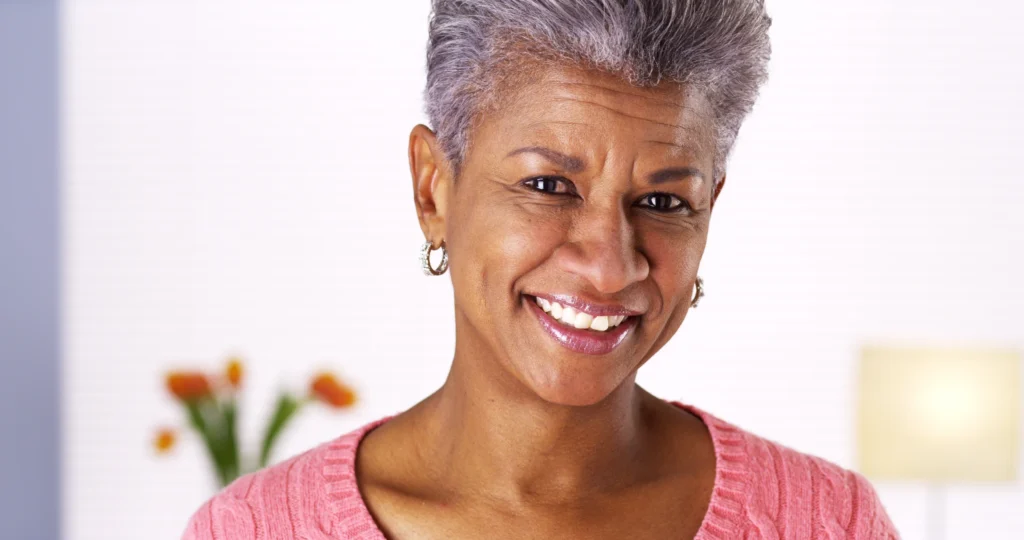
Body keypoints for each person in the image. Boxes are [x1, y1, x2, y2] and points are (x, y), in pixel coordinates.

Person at [185, 1, 899, 538]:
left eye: (662, 201)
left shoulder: (827, 523)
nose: (610, 264)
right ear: (433, 189)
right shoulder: (255, 529)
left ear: (710, 208)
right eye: (548, 186)